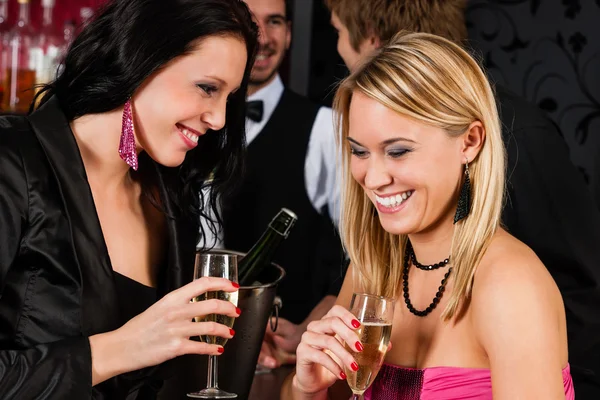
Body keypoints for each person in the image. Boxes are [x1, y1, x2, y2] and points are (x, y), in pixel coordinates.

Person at [324, 0, 600, 396]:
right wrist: (304, 388)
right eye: (359, 151)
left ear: (470, 142)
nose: (374, 177)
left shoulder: (510, 286)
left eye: (398, 151)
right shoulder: (370, 270)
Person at [0, 0, 258, 398]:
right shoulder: (11, 163)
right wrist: (118, 350)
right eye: (207, 88)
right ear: (142, 60)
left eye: (229, 97)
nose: (220, 119)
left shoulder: (167, 195)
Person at [217, 0, 345, 369]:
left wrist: (313, 326)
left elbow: (360, 250)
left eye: (274, 22)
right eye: (249, 22)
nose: (263, 37)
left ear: (289, 33)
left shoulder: (325, 128)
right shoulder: (189, 118)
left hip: (276, 361)